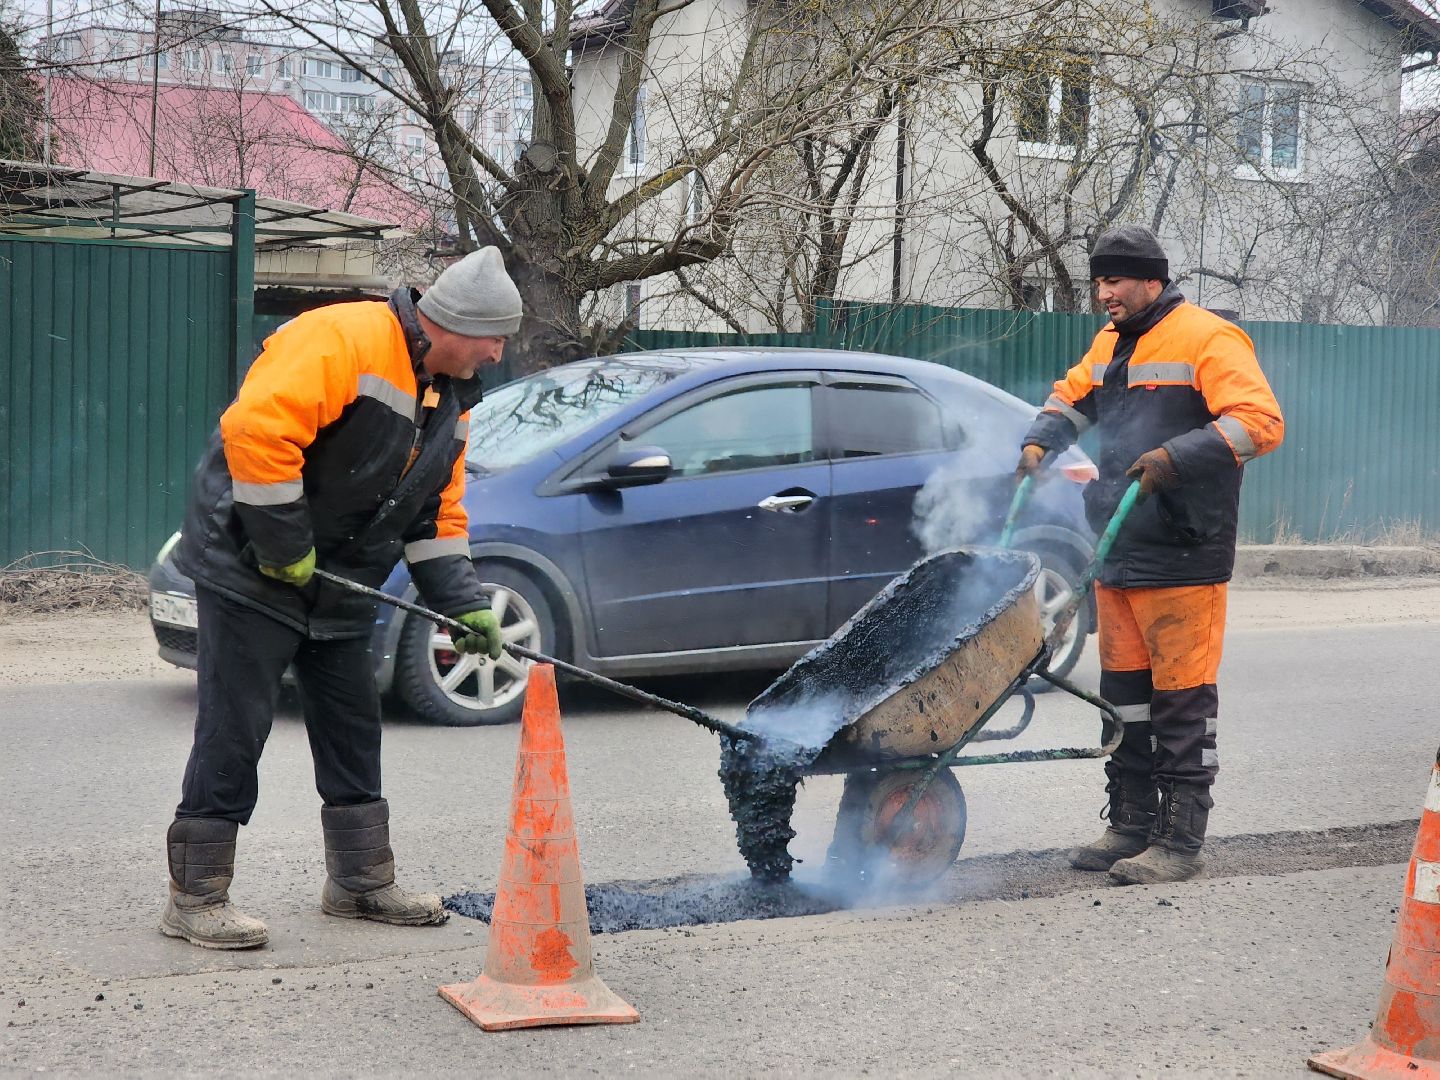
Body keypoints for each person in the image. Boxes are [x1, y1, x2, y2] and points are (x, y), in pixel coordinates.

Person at [161, 247, 522, 949]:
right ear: (454, 324)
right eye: (495, 338)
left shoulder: (450, 402)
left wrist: (466, 605)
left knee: (354, 724)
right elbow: (257, 433)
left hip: (339, 577)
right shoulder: (342, 338)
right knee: (237, 727)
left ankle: (360, 881)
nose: (500, 354)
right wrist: (282, 544)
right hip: (249, 564)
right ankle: (196, 896)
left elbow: (436, 519)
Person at [1016, 224, 1284, 885]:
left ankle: (1179, 841)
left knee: (1181, 701)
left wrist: (1173, 456)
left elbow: (1259, 422)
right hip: (1120, 546)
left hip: (1184, 548)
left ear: (1152, 283)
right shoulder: (1113, 341)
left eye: (1115, 281)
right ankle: (1130, 823)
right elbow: (1074, 395)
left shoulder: (1208, 337)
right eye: (1099, 281)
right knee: (1126, 700)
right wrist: (1040, 441)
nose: (1103, 292)